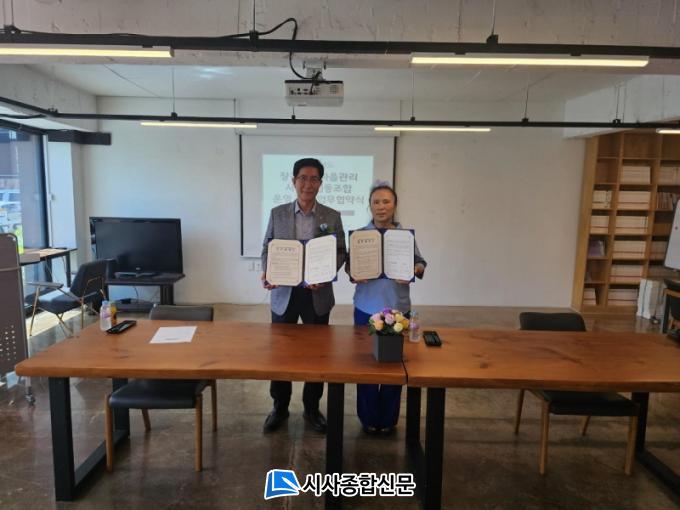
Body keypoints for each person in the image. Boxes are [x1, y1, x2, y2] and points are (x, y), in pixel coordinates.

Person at [260, 157, 347, 434]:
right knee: (280, 354)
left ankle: (312, 408)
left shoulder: (332, 216)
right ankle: (280, 407)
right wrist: (267, 272)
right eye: (302, 178)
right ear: (293, 181)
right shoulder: (278, 213)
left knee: (317, 355)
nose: (308, 184)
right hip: (284, 294)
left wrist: (326, 274)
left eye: (314, 179)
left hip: (317, 295)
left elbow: (340, 251)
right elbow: (267, 248)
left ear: (320, 183)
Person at [347, 182, 426, 435]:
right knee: (366, 365)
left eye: (386, 201)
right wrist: (353, 273)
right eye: (376, 202)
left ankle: (389, 419)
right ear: (369, 206)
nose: (381, 207)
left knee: (394, 366)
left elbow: (420, 263)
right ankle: (368, 418)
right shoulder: (360, 236)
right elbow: (349, 267)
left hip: (397, 309)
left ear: (394, 205)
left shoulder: (404, 236)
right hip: (366, 308)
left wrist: (414, 270)